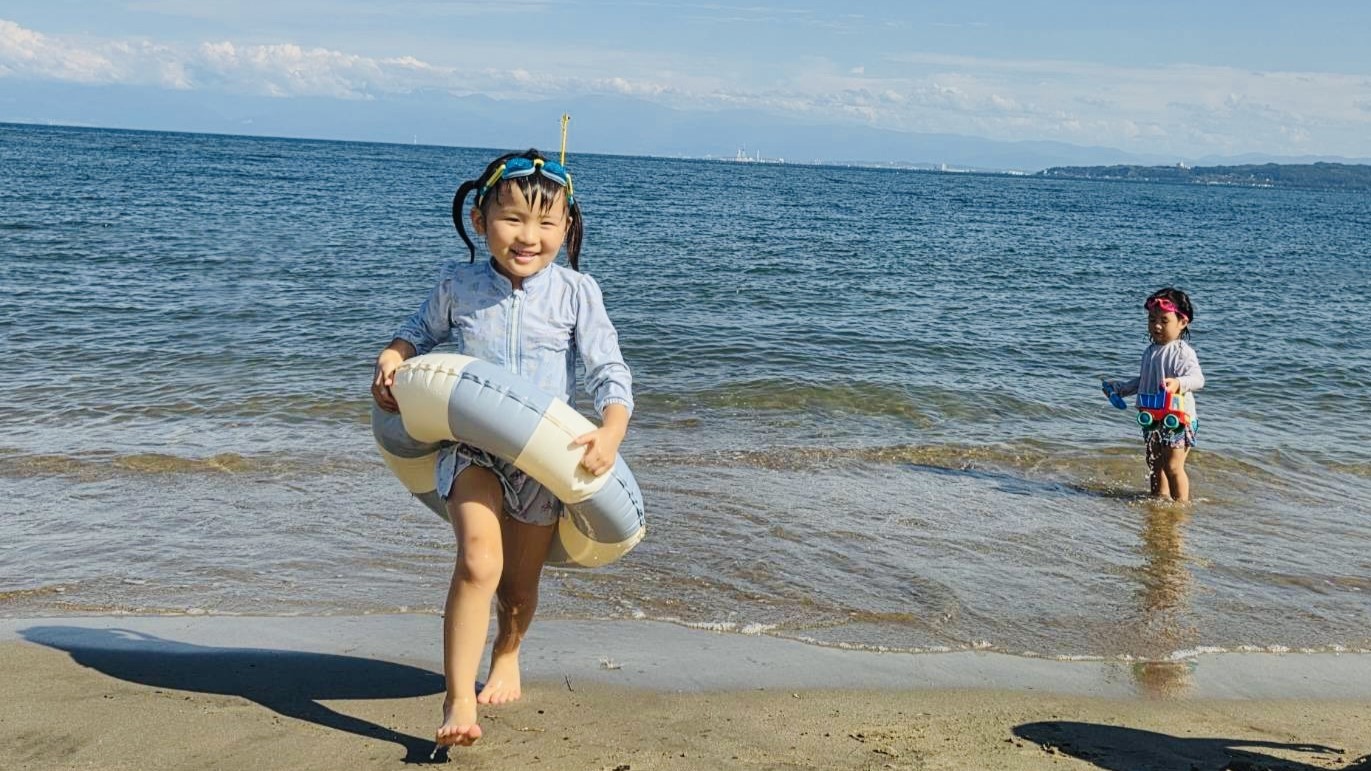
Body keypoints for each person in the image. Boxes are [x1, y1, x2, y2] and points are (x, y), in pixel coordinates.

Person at [370, 149, 633, 747]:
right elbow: (416, 332)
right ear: (482, 217)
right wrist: (394, 357)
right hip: (472, 449)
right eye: (511, 219)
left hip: (542, 460)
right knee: (478, 562)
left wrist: (612, 428)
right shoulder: (458, 284)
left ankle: (507, 651)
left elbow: (608, 369)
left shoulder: (576, 292)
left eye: (545, 224)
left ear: (567, 228)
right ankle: (459, 698)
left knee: (518, 587)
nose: (527, 236)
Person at [1104, 288, 1204, 502]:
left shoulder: (1181, 351)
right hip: (1152, 417)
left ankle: (1180, 507)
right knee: (1154, 463)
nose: (1156, 325)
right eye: (1152, 319)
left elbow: (1198, 379)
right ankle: (1158, 500)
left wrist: (1178, 383)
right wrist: (1121, 388)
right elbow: (1145, 382)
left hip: (1178, 418)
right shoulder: (1150, 351)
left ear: (1182, 322)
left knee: (1173, 465)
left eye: (1164, 320)